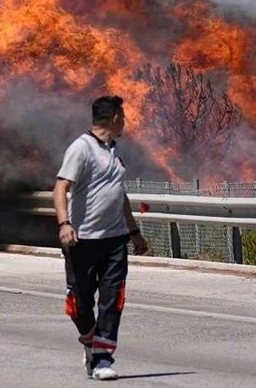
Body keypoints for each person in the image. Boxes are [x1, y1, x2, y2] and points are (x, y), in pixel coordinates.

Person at [53, 95, 150, 381]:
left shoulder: (114, 150)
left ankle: (102, 359)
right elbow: (60, 188)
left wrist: (134, 233)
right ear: (115, 118)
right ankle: (89, 341)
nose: (126, 122)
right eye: (124, 116)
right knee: (80, 303)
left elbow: (119, 195)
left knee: (112, 301)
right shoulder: (81, 148)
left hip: (115, 240)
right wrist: (65, 224)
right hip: (82, 240)